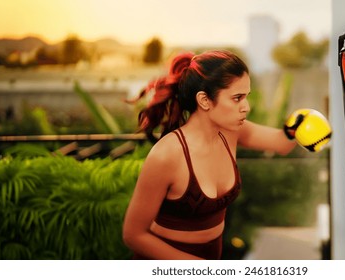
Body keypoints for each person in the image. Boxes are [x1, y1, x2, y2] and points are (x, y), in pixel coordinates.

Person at [122, 50, 297, 260]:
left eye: (246, 97)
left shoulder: (232, 131)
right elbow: (133, 235)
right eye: (237, 98)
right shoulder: (166, 155)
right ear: (204, 100)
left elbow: (281, 143)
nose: (246, 107)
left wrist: (302, 126)